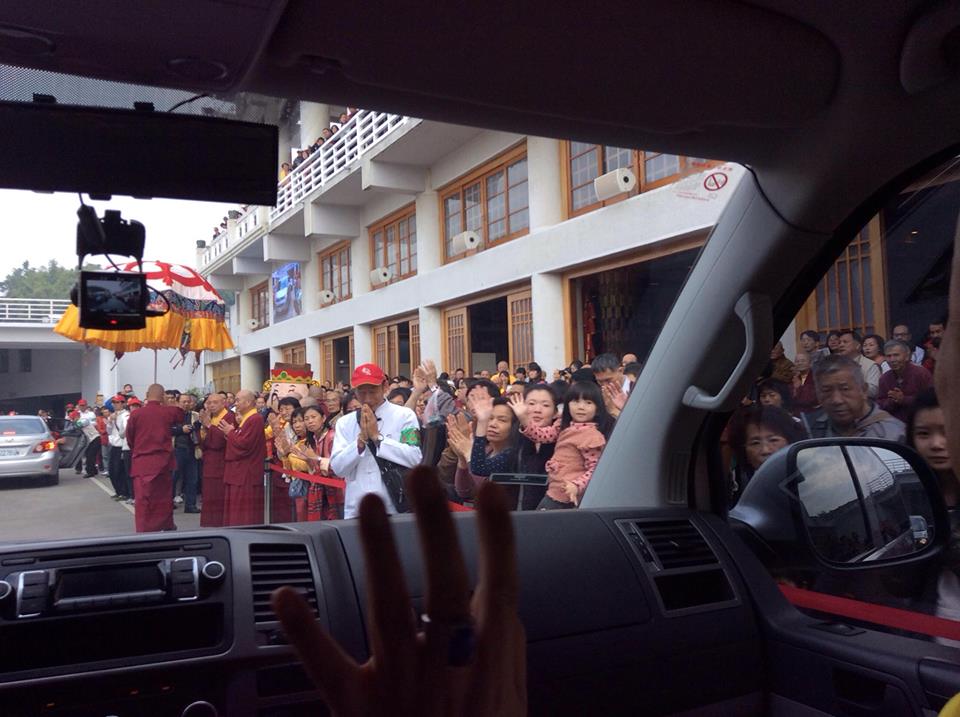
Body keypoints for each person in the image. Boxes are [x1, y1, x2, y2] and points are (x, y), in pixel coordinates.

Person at [329, 363, 423, 518]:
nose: (367, 398)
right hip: (357, 509)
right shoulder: (345, 423)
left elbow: (414, 457)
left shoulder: (405, 416)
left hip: (394, 509)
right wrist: (359, 443)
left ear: (385, 387)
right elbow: (338, 468)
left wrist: (378, 439)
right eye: (362, 392)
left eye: (372, 391)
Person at [904, 388, 960, 640]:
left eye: (947, 431)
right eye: (924, 434)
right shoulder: (905, 493)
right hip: (931, 630)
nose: (937, 444)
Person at [508, 381, 612, 510]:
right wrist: (524, 418)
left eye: (588, 403)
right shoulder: (563, 425)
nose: (581, 407)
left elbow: (595, 469)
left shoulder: (592, 436)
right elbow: (541, 435)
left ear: (598, 409)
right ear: (567, 405)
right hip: (554, 492)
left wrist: (577, 485)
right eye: (575, 401)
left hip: (569, 498)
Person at [801, 354, 904, 440]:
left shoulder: (894, 434)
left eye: (845, 389)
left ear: (864, 390)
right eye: (827, 390)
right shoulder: (808, 429)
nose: (837, 400)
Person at [125, 384, 184, 532]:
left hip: (142, 461)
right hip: (163, 461)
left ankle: (144, 528)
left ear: (146, 395)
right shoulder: (168, 412)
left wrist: (137, 449)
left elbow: (130, 437)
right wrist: (168, 403)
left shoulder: (136, 414)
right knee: (163, 497)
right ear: (163, 396)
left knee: (143, 498)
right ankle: (166, 524)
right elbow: (180, 414)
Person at [728, 404, 805, 502]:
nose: (765, 450)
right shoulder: (742, 488)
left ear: (791, 442)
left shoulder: (808, 480)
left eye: (773, 440)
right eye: (755, 443)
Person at [448, 394, 519, 501]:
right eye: (489, 418)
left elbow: (480, 471)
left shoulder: (512, 455)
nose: (493, 424)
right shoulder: (487, 450)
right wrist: (462, 459)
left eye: (502, 420)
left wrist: (468, 452)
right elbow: (464, 491)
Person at [221, 389, 268, 526]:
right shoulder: (247, 418)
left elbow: (245, 445)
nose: (235, 403)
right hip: (239, 471)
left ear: (248, 402)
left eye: (238, 400)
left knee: (244, 513)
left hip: (246, 473)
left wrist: (230, 432)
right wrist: (232, 432)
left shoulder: (255, 419)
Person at [300, 396, 346, 520]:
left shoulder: (332, 436)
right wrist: (308, 460)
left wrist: (317, 458)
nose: (310, 421)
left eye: (313, 417)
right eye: (306, 419)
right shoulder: (313, 439)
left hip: (338, 490)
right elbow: (315, 469)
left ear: (324, 418)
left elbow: (338, 465)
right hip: (323, 490)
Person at [198, 392, 234, 528]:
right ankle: (210, 524)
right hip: (209, 461)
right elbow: (203, 439)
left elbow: (220, 441)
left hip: (221, 461)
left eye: (215, 402)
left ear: (223, 403)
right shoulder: (210, 417)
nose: (211, 405)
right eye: (209, 403)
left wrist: (209, 426)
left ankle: (220, 524)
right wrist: (203, 428)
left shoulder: (229, 417)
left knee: (218, 494)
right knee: (209, 494)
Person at [877, 339, 933, 422]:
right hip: (893, 424)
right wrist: (891, 401)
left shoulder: (921, 373)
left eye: (896, 355)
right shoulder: (884, 378)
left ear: (907, 356)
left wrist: (904, 399)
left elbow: (931, 400)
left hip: (919, 421)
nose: (892, 360)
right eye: (888, 356)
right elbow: (880, 404)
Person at [173, 392, 201, 513]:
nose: (186, 404)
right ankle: (168, 503)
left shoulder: (195, 415)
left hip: (192, 449)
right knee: (173, 478)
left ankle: (190, 505)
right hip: (177, 449)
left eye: (188, 402)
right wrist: (181, 429)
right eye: (183, 402)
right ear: (177, 402)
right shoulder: (172, 415)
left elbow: (200, 429)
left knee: (192, 478)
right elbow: (167, 430)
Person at [837, 329, 881, 398]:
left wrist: (852, 384)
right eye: (839, 343)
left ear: (858, 346)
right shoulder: (836, 364)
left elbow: (874, 391)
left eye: (845, 342)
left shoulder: (870, 365)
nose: (841, 345)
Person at [106, 396, 130, 501]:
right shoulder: (112, 415)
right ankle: (118, 491)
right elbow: (109, 431)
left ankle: (124, 492)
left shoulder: (125, 415)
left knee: (119, 470)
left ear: (123, 403)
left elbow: (124, 431)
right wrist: (110, 421)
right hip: (114, 445)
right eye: (114, 402)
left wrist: (116, 421)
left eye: (117, 402)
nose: (115, 404)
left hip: (122, 445)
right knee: (112, 470)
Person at [76, 399, 100, 477]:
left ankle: (90, 471)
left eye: (83, 405)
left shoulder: (91, 413)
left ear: (86, 405)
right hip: (85, 439)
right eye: (81, 405)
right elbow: (73, 424)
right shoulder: (76, 414)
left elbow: (95, 423)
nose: (82, 407)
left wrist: (84, 423)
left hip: (94, 436)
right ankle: (93, 470)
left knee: (90, 455)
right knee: (88, 455)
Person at [791, 351, 819, 416]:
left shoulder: (816, 377)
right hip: (796, 413)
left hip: (812, 413)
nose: (800, 363)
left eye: (803, 361)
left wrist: (799, 387)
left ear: (810, 363)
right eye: (797, 361)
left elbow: (812, 400)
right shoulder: (794, 378)